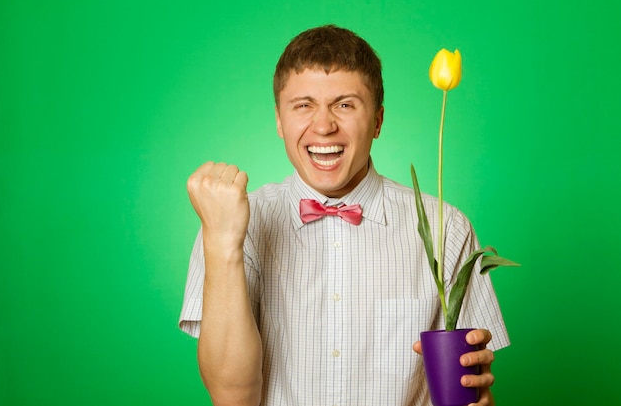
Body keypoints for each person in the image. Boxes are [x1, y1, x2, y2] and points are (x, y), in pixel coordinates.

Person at [179, 25, 509, 406]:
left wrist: (476, 397)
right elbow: (232, 398)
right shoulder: (231, 223)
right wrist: (222, 242)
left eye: (345, 104)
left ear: (379, 121)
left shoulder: (447, 229)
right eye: (303, 105)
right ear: (279, 121)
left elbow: (470, 390)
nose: (323, 126)